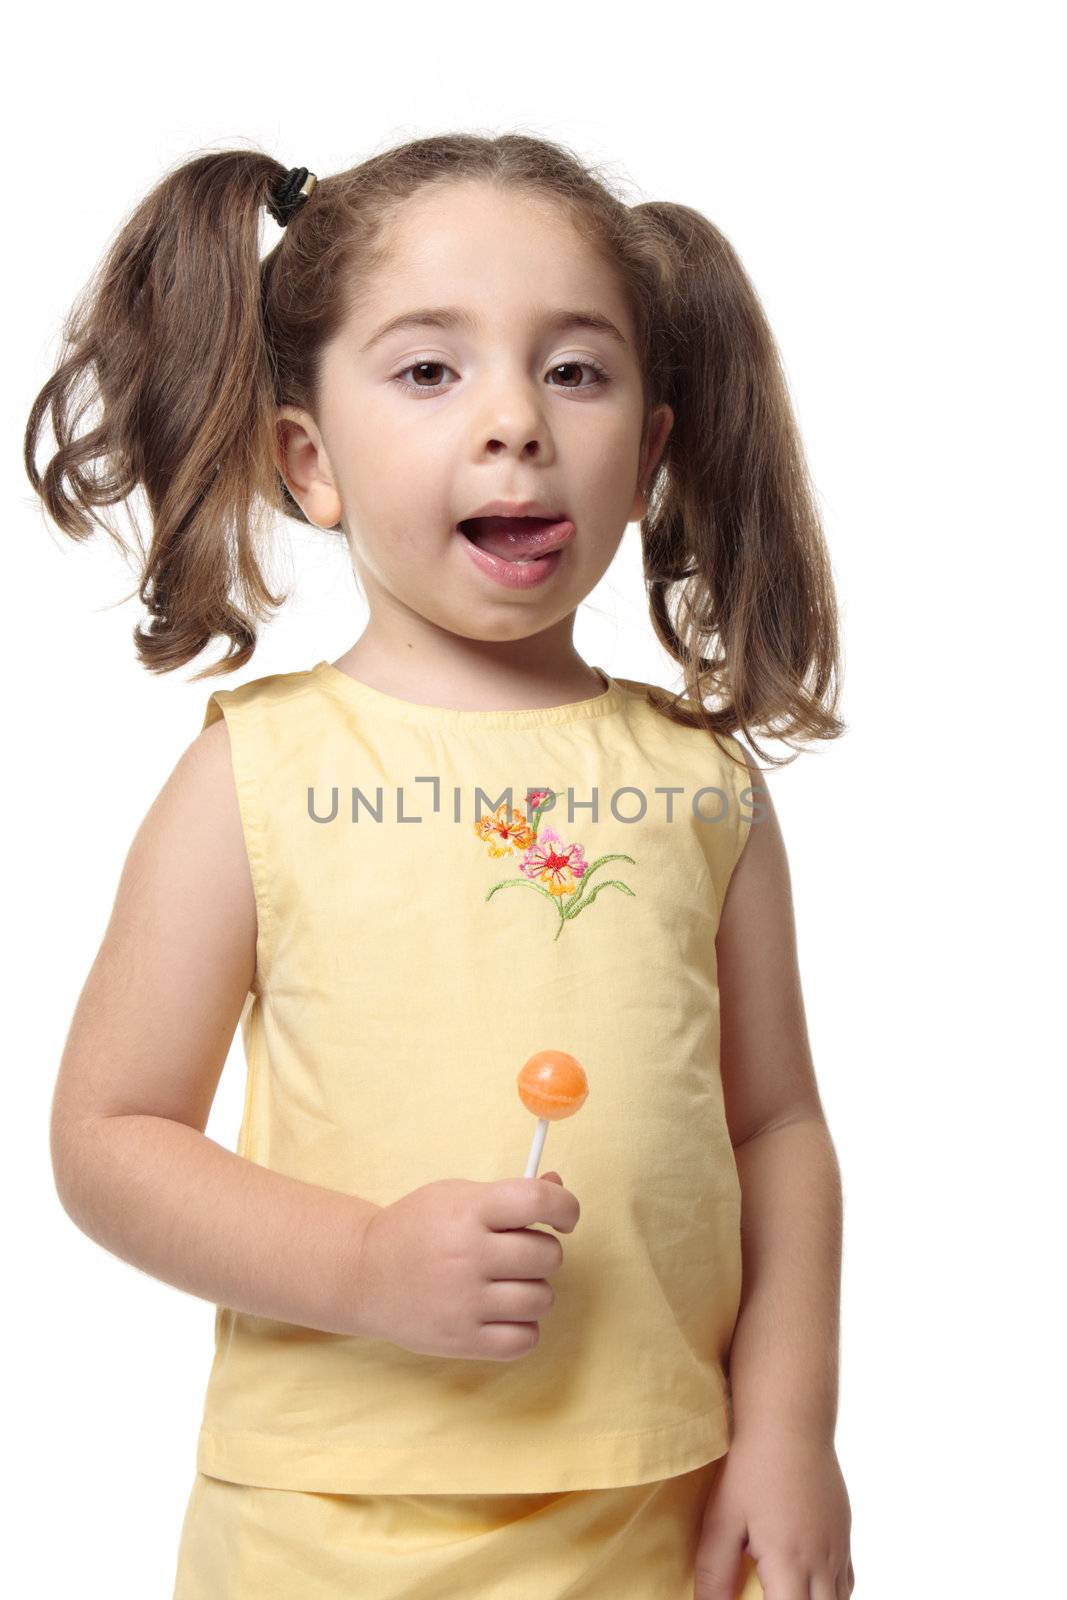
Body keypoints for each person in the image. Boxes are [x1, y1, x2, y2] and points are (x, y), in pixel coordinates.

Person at [26, 132, 855, 1599]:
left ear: (649, 450)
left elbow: (775, 1129)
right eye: (429, 372)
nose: (515, 423)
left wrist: (789, 1431)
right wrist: (361, 1268)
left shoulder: (698, 784)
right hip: (329, 1523)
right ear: (309, 458)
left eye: (576, 371)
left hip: (654, 1510)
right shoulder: (259, 775)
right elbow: (110, 1134)